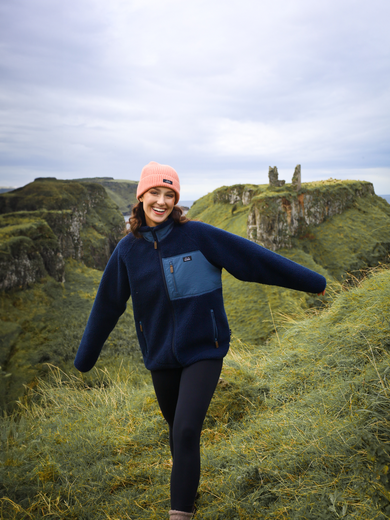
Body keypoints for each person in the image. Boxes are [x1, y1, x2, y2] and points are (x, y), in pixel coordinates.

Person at [74, 161, 327, 519]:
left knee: (188, 428)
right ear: (141, 197)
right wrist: (85, 358)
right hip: (161, 355)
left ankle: (180, 514)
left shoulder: (198, 235)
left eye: (169, 194)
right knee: (177, 434)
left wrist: (313, 282)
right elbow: (107, 305)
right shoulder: (127, 252)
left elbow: (254, 260)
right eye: (154, 193)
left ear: (176, 199)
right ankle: (189, 493)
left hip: (204, 350)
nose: (161, 201)